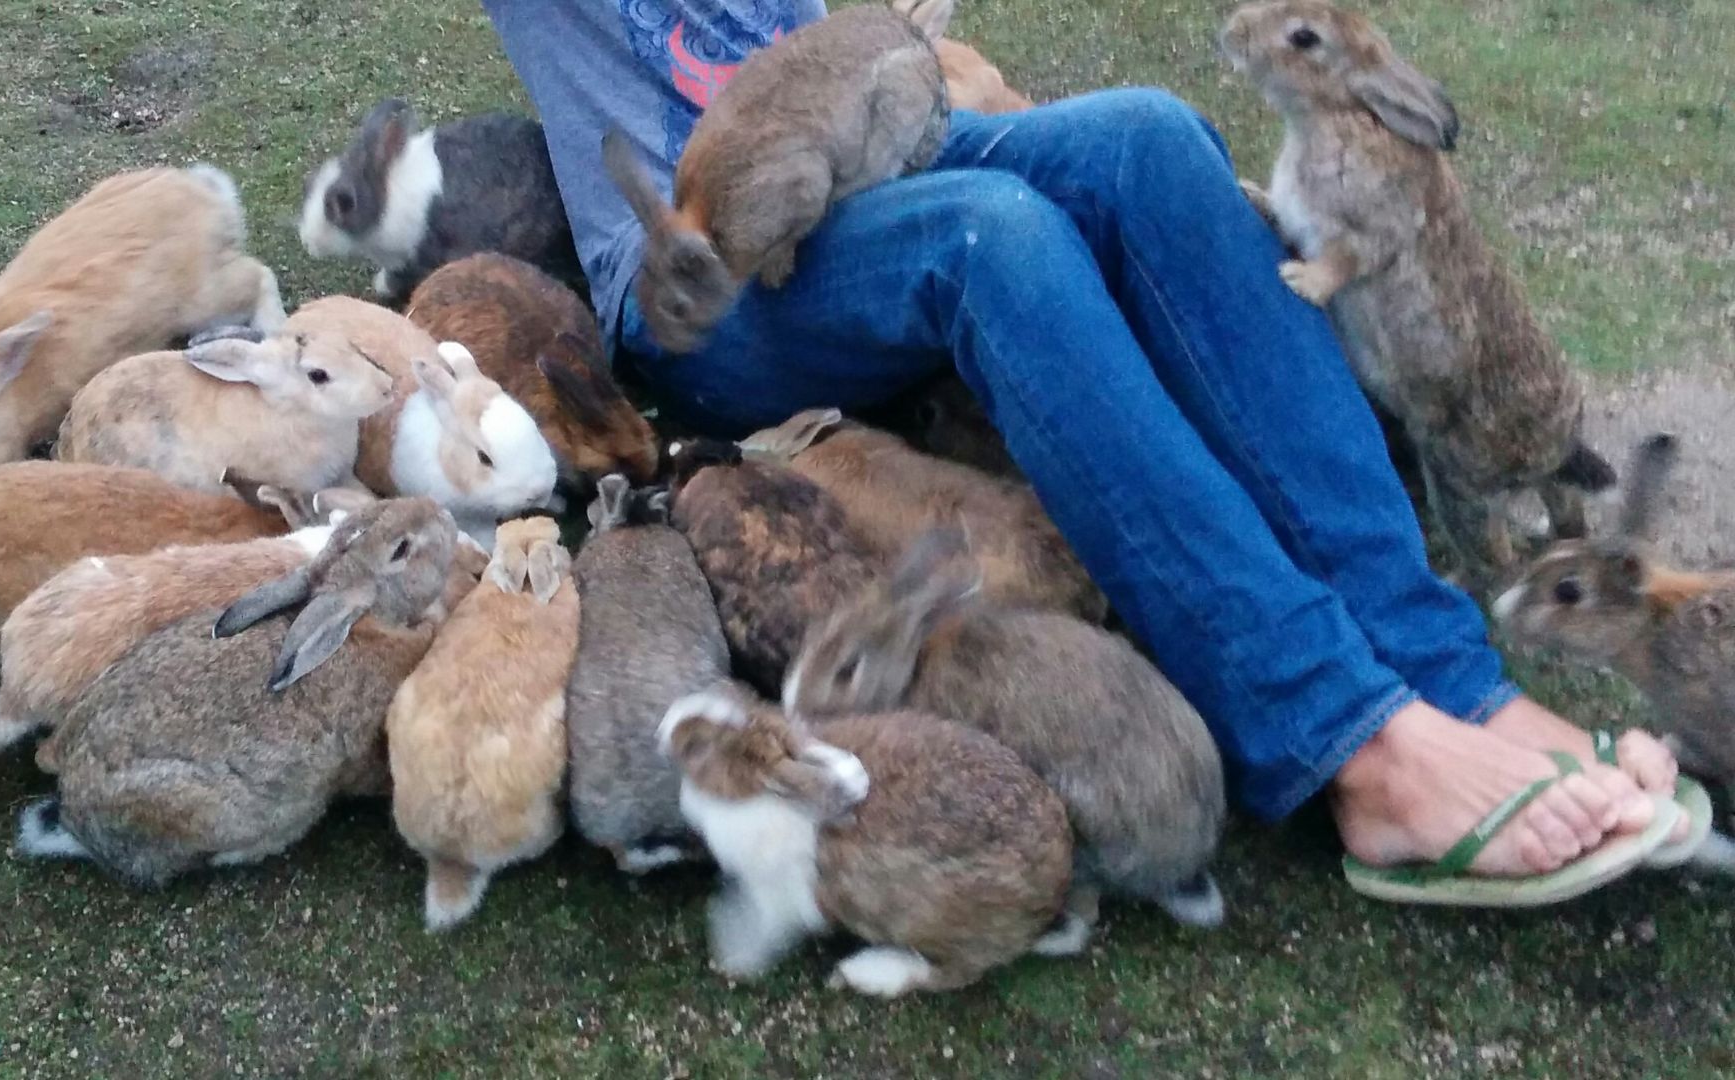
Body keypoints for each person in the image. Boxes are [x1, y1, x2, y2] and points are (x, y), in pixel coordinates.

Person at [480, 0, 1687, 890]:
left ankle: (1443, 669)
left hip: (882, 154)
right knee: (996, 239)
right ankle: (1346, 736)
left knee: (1149, 140)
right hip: (714, 271)